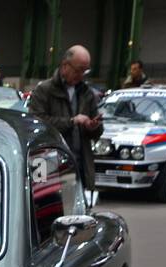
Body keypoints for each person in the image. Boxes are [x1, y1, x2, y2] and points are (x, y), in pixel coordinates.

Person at [27, 45, 102, 191]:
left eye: (85, 71)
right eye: (78, 70)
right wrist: (72, 121)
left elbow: (97, 132)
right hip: (46, 163)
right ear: (65, 66)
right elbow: (36, 124)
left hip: (78, 165)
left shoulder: (87, 94)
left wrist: (94, 127)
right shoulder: (43, 90)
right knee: (44, 205)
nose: (81, 75)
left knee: (76, 210)